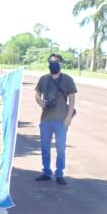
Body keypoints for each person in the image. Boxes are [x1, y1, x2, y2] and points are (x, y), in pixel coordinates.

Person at [35, 53, 78, 185]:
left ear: (61, 64)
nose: (54, 63)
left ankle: (59, 173)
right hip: (46, 119)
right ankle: (46, 172)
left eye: (57, 61)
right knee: (45, 147)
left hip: (61, 120)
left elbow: (72, 100)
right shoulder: (43, 79)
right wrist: (41, 103)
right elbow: (37, 94)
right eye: (52, 61)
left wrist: (68, 118)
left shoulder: (68, 80)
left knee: (60, 148)